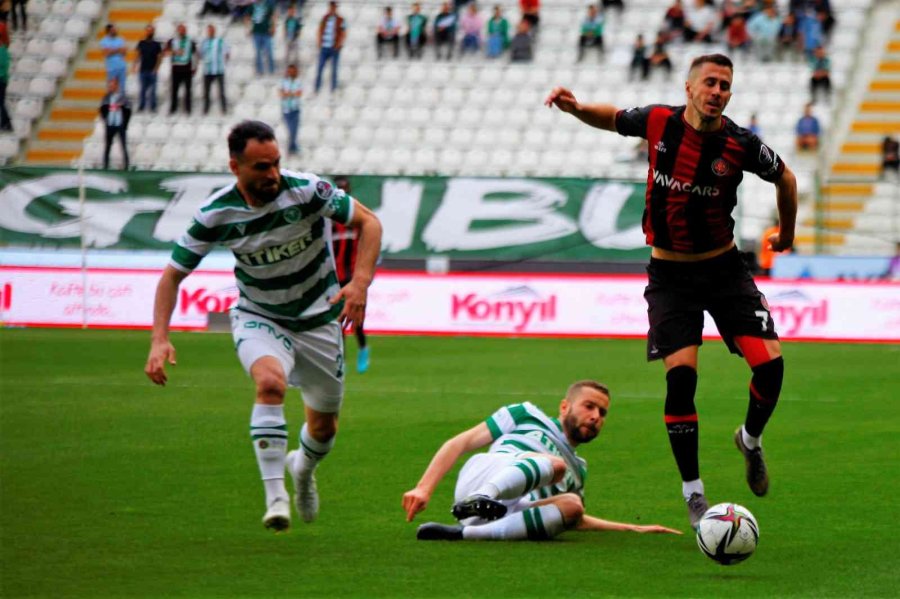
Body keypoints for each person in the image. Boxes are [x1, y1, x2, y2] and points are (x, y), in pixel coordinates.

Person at [545, 53, 798, 528]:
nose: (717, 91)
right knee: (681, 380)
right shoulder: (660, 121)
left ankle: (750, 439)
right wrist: (577, 110)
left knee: (772, 367)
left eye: (725, 84)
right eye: (710, 82)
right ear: (689, 88)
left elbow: (786, 176)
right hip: (670, 279)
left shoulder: (741, 144)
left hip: (725, 271)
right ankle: (694, 491)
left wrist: (785, 234)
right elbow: (615, 118)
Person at [144, 120, 383, 532]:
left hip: (319, 319)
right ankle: (275, 497)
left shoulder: (306, 190)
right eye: (260, 167)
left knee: (324, 429)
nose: (272, 174)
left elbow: (370, 223)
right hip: (260, 316)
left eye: (275, 163)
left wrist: (359, 283)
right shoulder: (216, 213)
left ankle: (302, 471)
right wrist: (159, 339)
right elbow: (171, 275)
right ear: (235, 166)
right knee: (269, 383)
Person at [402, 380, 682, 541]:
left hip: (503, 514)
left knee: (573, 505)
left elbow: (576, 520)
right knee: (554, 465)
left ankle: (464, 534)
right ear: (564, 406)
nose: (596, 416)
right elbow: (460, 442)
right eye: (589, 406)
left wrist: (632, 527)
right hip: (482, 475)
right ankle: (481, 497)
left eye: (603, 412)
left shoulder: (579, 470)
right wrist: (424, 488)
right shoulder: (526, 414)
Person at [331, 175, 371, 374]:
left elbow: (367, 245)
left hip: (354, 276)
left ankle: (363, 348)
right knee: (338, 320)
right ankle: (342, 359)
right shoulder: (328, 221)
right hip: (336, 276)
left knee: (356, 319)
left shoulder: (358, 218)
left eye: (345, 189)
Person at [99, 77, 131, 170]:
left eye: (112, 86)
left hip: (120, 124)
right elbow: (103, 109)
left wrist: (125, 123)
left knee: (123, 145)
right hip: (110, 124)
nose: (110, 88)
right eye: (109, 86)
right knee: (108, 145)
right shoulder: (106, 97)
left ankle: (126, 165)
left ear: (117, 86)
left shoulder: (123, 97)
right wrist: (106, 119)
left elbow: (128, 109)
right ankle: (105, 165)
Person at [315, 1, 346, 93]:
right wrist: (319, 42)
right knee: (320, 67)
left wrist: (339, 44)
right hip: (324, 46)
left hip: (334, 48)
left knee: (334, 69)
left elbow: (343, 33)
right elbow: (320, 30)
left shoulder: (341, 19)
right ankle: (317, 88)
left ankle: (333, 89)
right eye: (331, 7)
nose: (332, 9)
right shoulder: (324, 18)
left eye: (334, 7)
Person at [167, 23, 197, 115]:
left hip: (187, 68)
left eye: (183, 30)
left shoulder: (190, 41)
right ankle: (173, 109)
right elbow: (165, 52)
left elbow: (195, 55)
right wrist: (175, 51)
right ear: (177, 31)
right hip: (176, 68)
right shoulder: (172, 41)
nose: (182, 31)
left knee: (188, 90)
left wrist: (195, 67)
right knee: (174, 90)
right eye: (180, 30)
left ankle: (188, 109)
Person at [200, 24, 229, 115]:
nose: (210, 32)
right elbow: (201, 54)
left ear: (214, 31)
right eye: (209, 30)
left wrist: (223, 61)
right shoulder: (204, 42)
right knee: (206, 92)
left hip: (218, 70)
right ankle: (206, 109)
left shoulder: (220, 41)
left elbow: (226, 52)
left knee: (221, 91)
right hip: (207, 70)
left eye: (212, 30)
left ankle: (224, 109)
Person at [134, 24, 163, 113]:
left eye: (151, 30)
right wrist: (135, 66)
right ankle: (141, 106)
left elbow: (159, 57)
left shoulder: (157, 44)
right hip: (143, 69)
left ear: (153, 32)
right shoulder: (141, 43)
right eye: (148, 30)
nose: (149, 32)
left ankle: (153, 107)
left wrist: (156, 68)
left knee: (153, 90)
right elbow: (137, 55)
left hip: (152, 70)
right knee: (142, 89)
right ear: (145, 31)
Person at [280, 63, 302, 155]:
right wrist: (291, 94)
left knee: (294, 130)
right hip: (286, 109)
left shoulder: (298, 82)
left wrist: (289, 94)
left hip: (295, 109)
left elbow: (299, 94)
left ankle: (292, 148)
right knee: (290, 130)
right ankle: (292, 147)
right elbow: (282, 94)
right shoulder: (284, 82)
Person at [249, 0, 275, 75]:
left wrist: (273, 27)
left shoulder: (268, 4)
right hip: (256, 32)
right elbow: (247, 16)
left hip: (266, 32)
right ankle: (260, 71)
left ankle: (271, 70)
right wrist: (248, 27)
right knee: (257, 53)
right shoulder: (252, 6)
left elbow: (272, 16)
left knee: (269, 51)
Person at [100, 24, 128, 92]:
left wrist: (112, 50)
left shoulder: (120, 39)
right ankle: (110, 102)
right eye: (113, 30)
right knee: (111, 87)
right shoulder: (104, 41)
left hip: (121, 67)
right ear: (109, 31)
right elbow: (106, 53)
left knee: (122, 88)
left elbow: (124, 52)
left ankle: (121, 102)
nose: (115, 31)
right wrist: (118, 49)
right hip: (111, 68)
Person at [0, 23, 11, 132]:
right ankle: (6, 122)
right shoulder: (3, 50)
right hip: (2, 79)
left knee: (1, 102)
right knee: (1, 102)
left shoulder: (2, 51)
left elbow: (3, 67)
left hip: (1, 80)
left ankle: (6, 123)